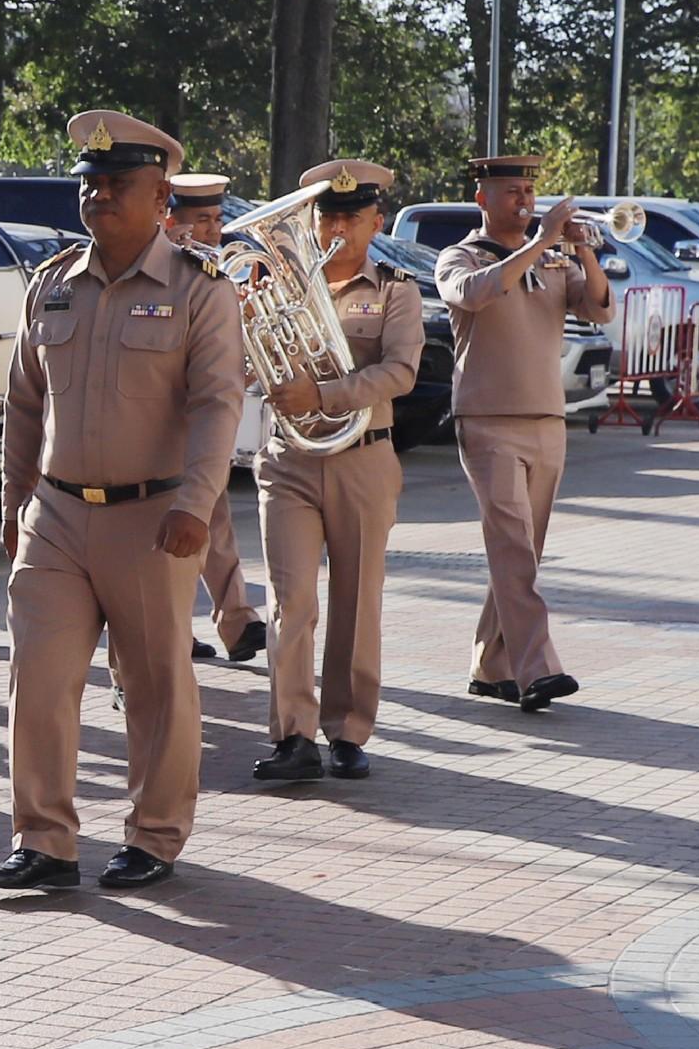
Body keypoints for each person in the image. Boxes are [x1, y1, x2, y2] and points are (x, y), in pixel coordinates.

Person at [0, 110, 244, 893]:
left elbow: (218, 405)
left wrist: (196, 503)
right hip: (56, 516)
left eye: (117, 183)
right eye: (89, 182)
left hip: (154, 518)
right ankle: (44, 842)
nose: (97, 194)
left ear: (161, 198)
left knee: (157, 685)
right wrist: (13, 501)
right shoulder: (53, 282)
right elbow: (24, 401)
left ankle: (154, 836)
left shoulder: (200, 290)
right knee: (39, 674)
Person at [250, 162, 422, 784]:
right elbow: (247, 370)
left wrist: (322, 395)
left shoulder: (397, 290)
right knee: (290, 600)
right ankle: (292, 735)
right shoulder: (277, 287)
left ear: (377, 223)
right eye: (327, 217)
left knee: (356, 600)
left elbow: (401, 373)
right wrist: (239, 322)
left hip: (363, 458)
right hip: (290, 460)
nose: (337, 228)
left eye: (352, 217)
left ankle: (347, 732)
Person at [434, 156, 613, 712]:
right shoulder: (460, 256)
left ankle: (490, 667)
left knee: (522, 554)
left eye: (529, 191)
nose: (525, 201)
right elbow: (474, 294)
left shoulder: (555, 258)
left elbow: (600, 309)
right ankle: (538, 669)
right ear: (482, 199)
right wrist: (540, 242)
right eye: (512, 191)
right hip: (487, 420)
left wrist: (583, 249)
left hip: (547, 418)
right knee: (512, 547)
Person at [165, 172, 265, 665]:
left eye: (217, 219)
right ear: (171, 221)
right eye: (201, 220)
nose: (213, 230)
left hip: (203, 424)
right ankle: (179, 631)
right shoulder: (161, 273)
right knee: (176, 535)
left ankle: (236, 621)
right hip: (160, 426)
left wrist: (247, 323)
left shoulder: (215, 277)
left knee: (215, 520)